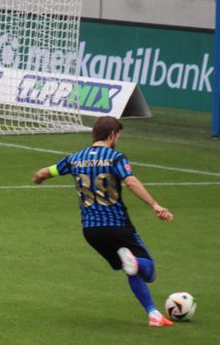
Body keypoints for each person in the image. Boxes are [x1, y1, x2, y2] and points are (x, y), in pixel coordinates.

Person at [33, 116, 174, 327]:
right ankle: (135, 263)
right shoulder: (115, 157)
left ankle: (154, 314)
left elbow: (45, 172)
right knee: (149, 270)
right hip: (117, 226)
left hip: (91, 231)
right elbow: (130, 181)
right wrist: (154, 204)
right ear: (113, 135)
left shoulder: (74, 158)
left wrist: (39, 177)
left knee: (129, 269)